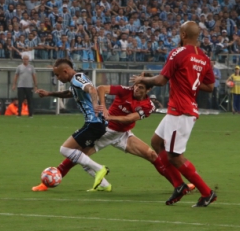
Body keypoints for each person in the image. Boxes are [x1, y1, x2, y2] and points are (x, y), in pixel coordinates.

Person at [32, 77, 196, 193]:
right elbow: (102, 88)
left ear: (148, 90)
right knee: (78, 155)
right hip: (106, 131)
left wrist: (112, 116)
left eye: (141, 88)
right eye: (137, 86)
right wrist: (103, 107)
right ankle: (46, 183)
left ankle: (179, 185)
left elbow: (131, 118)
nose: (136, 89)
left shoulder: (148, 105)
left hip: (123, 134)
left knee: (152, 155)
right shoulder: (126, 90)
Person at [131, 21, 217, 207]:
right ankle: (179, 185)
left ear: (183, 35)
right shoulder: (204, 58)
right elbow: (210, 86)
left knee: (175, 156)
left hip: (181, 111)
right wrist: (188, 79)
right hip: (178, 109)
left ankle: (207, 192)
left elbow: (161, 80)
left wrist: (142, 79)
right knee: (156, 142)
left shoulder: (178, 53)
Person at [36, 58, 109, 190]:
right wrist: (49, 93)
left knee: (65, 149)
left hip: (94, 123)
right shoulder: (75, 82)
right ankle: (104, 185)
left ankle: (99, 168)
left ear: (65, 71)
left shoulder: (77, 78)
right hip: (97, 124)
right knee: (80, 157)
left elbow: (92, 89)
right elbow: (70, 93)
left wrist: (94, 104)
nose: (57, 78)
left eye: (58, 75)